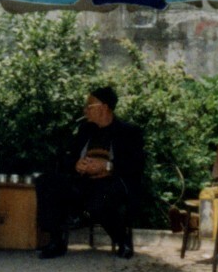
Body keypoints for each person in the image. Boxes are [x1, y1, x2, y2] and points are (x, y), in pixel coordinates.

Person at [37, 86, 146, 260]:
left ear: (104, 107)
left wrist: (107, 166)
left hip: (113, 183)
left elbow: (135, 164)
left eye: (90, 106)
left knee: (100, 198)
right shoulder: (85, 130)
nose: (85, 110)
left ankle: (122, 239)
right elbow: (67, 158)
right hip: (83, 181)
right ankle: (56, 240)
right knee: (47, 181)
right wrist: (76, 164)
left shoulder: (129, 132)